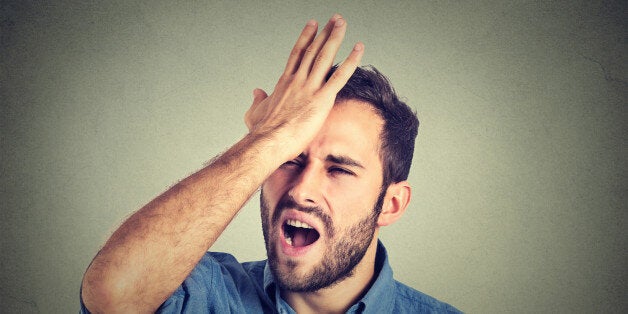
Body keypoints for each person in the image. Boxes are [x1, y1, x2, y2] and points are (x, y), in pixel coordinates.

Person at [80, 14, 461, 313]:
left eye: (339, 169)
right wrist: (266, 139)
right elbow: (112, 295)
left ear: (391, 204)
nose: (301, 189)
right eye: (288, 159)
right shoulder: (205, 295)